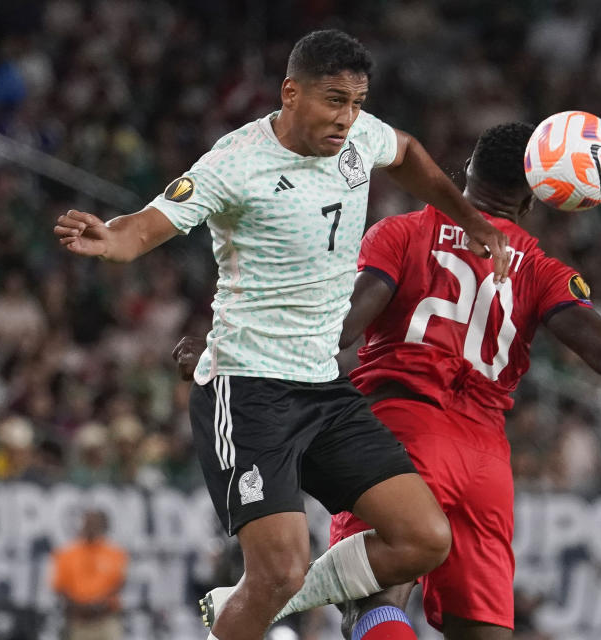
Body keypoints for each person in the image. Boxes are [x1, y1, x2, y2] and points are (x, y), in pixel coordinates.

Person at [181, 122, 601, 640]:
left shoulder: (401, 233)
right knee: (483, 631)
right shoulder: (543, 270)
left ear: (465, 169)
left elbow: (342, 329)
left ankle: (269, 600)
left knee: (373, 605)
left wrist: (233, 353)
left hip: (399, 432)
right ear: (531, 199)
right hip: (486, 461)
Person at [54, 29, 511, 640]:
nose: (348, 118)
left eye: (356, 101)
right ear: (290, 93)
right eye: (333, 100)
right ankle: (261, 600)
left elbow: (404, 154)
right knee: (278, 571)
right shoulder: (235, 162)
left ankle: (260, 601)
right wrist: (112, 238)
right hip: (247, 393)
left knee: (424, 538)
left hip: (324, 388)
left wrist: (470, 219)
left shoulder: (358, 139)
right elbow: (146, 227)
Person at [51, 510, 127, 640]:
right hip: (78, 620)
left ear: (103, 526)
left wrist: (100, 604)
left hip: (106, 619)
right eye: (88, 522)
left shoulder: (114, 553)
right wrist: (80, 605)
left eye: (95, 523)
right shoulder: (67, 554)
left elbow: (119, 583)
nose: (91, 527)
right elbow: (60, 586)